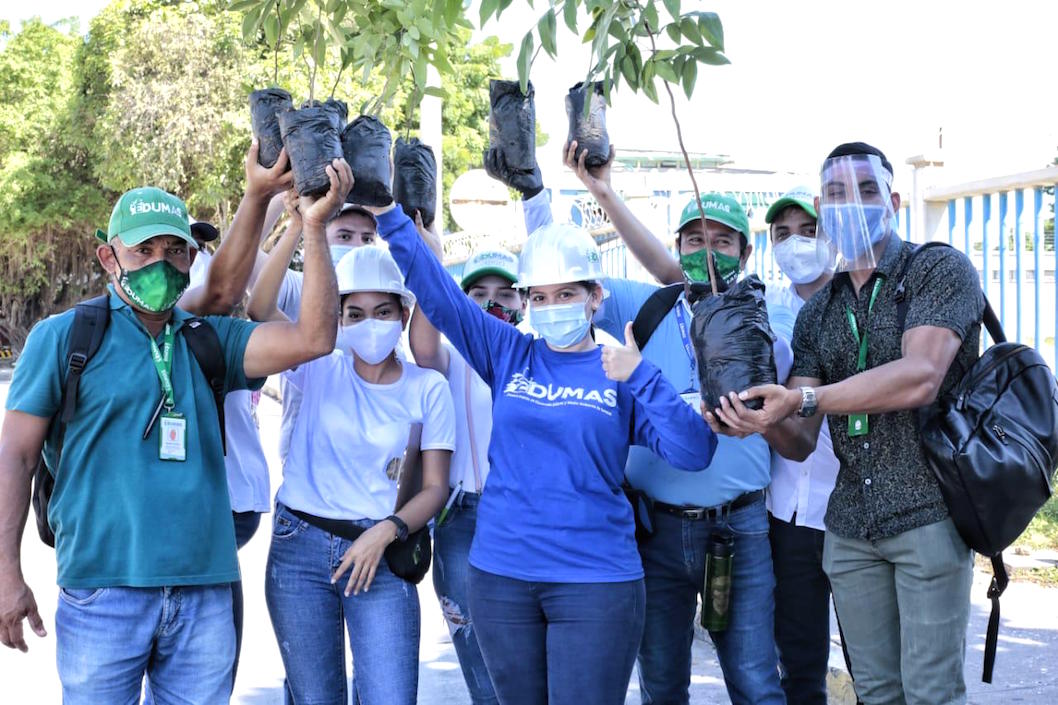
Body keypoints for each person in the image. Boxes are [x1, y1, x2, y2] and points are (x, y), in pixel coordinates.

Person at [0, 157, 352, 703]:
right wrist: (6, 574)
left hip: (205, 593)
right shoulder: (63, 339)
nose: (159, 263)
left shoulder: (209, 339)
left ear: (193, 257)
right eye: (143, 250)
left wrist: (313, 227)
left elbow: (313, 340)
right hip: (102, 591)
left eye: (174, 250)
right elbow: (15, 459)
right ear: (108, 256)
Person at [377, 197, 718, 705]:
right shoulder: (509, 351)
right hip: (501, 577)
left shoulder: (620, 368)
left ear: (594, 296)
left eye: (566, 293)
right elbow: (441, 295)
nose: (552, 306)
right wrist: (388, 213)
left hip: (595, 582)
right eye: (539, 296)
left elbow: (694, 451)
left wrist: (642, 375)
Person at [709, 142, 984, 705]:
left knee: (931, 693)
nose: (851, 204)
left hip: (927, 516)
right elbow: (801, 443)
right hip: (850, 528)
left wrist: (803, 400)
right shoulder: (819, 311)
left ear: (894, 200)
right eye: (837, 193)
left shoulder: (935, 268)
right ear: (821, 204)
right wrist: (760, 417)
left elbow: (920, 376)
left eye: (866, 190)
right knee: (877, 692)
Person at [524, 143, 792, 705]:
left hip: (740, 529)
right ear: (679, 248)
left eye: (722, 241)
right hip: (655, 533)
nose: (708, 252)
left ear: (745, 251)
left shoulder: (768, 324)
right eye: (695, 240)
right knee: (662, 683)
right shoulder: (644, 308)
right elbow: (562, 276)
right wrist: (550, 190)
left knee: (755, 681)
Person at [253, 238, 454, 705]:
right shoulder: (318, 363)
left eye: (383, 311)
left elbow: (435, 488)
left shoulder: (429, 389)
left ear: (403, 315)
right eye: (355, 313)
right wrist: (301, 227)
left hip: (381, 553)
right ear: (337, 318)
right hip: (298, 549)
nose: (370, 325)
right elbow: (260, 307)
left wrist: (385, 532)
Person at [409, 228, 525, 705]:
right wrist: (430, 264)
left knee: (524, 649)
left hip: (524, 516)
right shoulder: (450, 356)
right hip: (461, 518)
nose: (493, 304)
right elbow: (422, 345)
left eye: (505, 294)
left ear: (523, 300)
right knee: (477, 653)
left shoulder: (537, 352)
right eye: (479, 294)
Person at [762, 186, 841, 705]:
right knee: (800, 662)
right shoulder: (763, 311)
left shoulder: (866, 305)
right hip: (786, 512)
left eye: (808, 230)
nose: (795, 243)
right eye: (782, 233)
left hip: (852, 511)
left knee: (875, 658)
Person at [247, 200, 379, 465]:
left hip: (367, 467)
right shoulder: (298, 287)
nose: (356, 246)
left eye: (367, 238)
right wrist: (280, 197)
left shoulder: (385, 301)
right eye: (344, 236)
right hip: (305, 465)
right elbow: (246, 256)